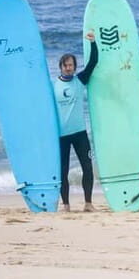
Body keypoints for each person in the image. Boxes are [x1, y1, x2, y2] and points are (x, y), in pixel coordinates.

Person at [53, 30, 97, 212]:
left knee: (87, 168)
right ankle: (66, 205)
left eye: (71, 65)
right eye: (65, 65)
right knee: (62, 172)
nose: (68, 68)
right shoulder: (52, 86)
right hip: (61, 135)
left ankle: (88, 203)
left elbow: (93, 62)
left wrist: (93, 42)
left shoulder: (80, 81)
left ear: (75, 66)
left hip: (80, 133)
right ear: (60, 67)